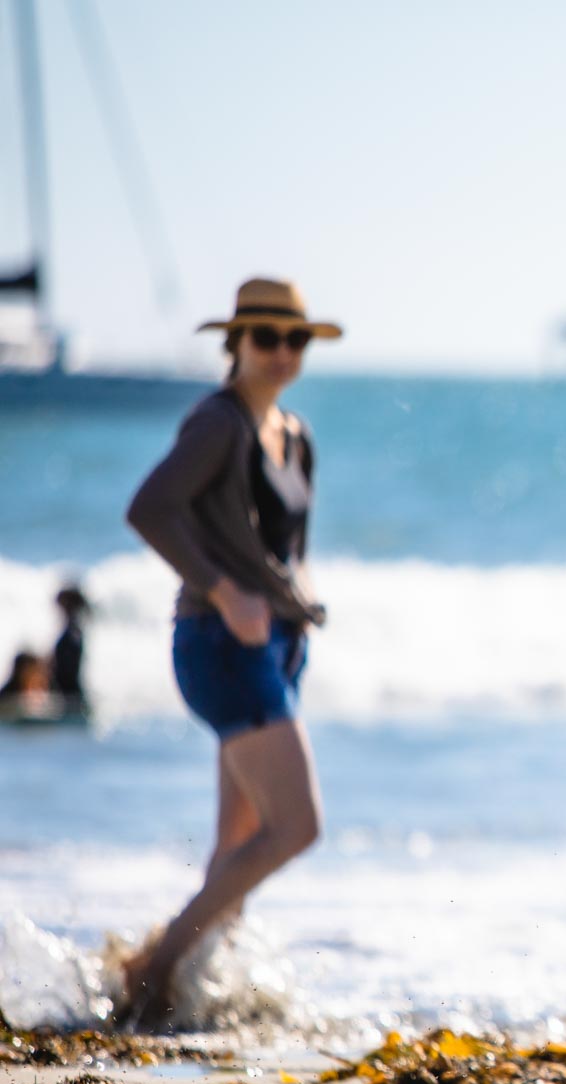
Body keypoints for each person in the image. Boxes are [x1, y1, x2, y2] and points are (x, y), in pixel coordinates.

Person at [119, 278, 342, 1029]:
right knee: (298, 826)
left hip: (275, 648)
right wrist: (221, 591)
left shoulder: (295, 432)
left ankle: (203, 994)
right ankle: (155, 970)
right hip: (220, 644)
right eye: (266, 337)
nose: (282, 352)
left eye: (296, 339)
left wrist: (291, 610)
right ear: (236, 343)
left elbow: (284, 549)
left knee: (242, 840)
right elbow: (148, 508)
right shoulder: (218, 424)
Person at [51, 584, 89, 705]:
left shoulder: (73, 631)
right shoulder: (73, 630)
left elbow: (68, 667)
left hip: (69, 694)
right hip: (68, 692)